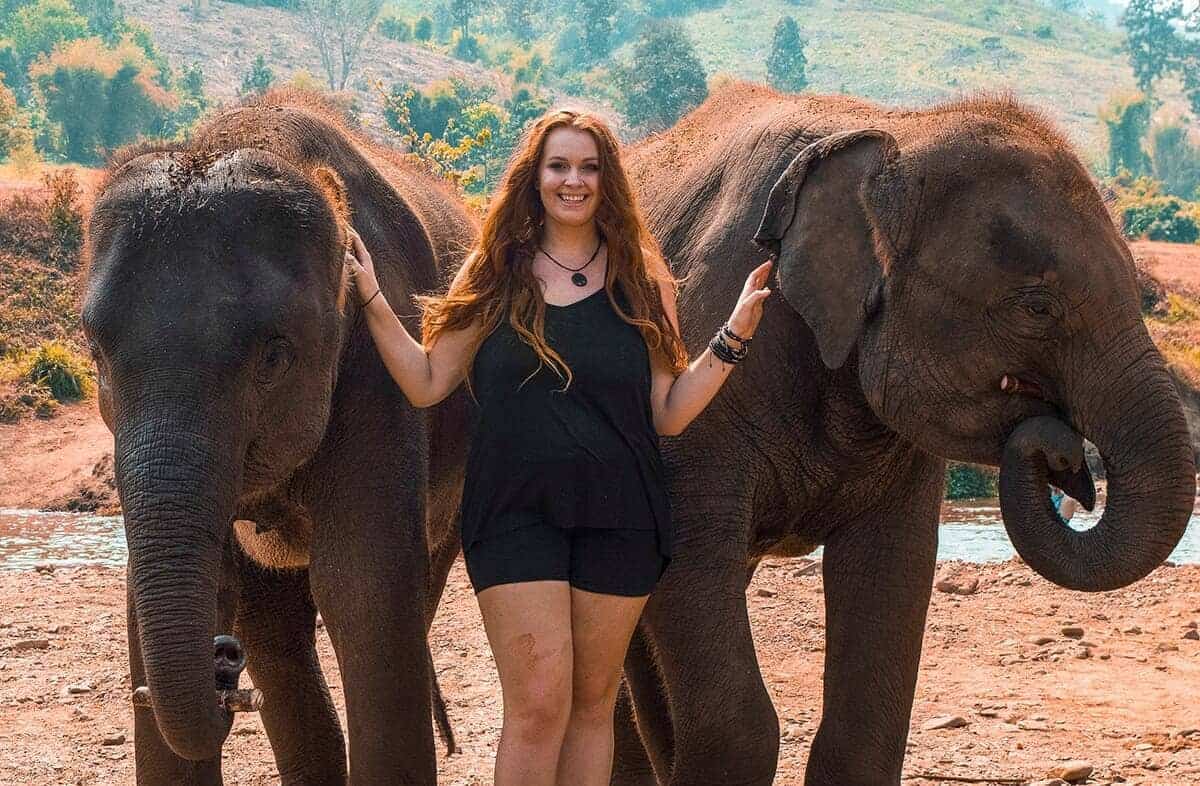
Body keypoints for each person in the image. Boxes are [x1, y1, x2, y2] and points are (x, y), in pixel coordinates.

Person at [342, 108, 771, 786]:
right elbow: (427, 381)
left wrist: (734, 336)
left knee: (594, 706)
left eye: (589, 167)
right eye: (560, 166)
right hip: (512, 514)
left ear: (609, 180)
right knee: (539, 706)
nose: (574, 180)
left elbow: (669, 412)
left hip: (623, 515)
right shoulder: (495, 273)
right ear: (534, 178)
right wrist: (369, 296)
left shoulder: (643, 280)